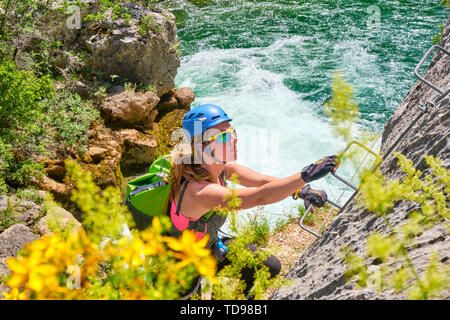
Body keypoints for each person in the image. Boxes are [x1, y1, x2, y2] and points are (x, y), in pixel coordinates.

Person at [168, 104, 337, 298]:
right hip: (181, 271)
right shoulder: (198, 191)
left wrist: (301, 190)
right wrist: (305, 176)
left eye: (232, 131)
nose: (234, 138)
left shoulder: (221, 168)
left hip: (208, 249)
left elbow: (262, 182)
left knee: (268, 266)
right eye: (223, 136)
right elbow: (259, 197)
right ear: (202, 147)